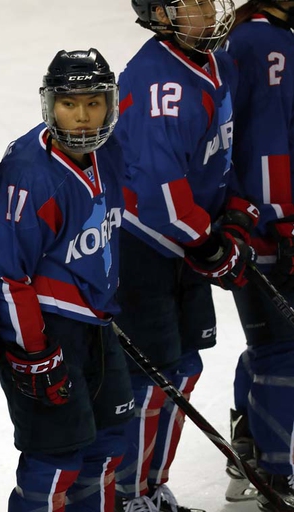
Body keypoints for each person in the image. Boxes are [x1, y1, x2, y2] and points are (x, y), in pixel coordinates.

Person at [113, 1, 249, 511]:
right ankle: (127, 497)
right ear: (160, 14)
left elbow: (221, 152)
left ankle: (151, 487)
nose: (209, 9)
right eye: (191, 2)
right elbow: (160, 191)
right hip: (145, 246)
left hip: (185, 243)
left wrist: (234, 211)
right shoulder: (156, 83)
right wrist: (210, 243)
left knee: (183, 371)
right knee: (150, 382)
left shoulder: (214, 61)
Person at [0, 48, 134, 512]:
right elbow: (9, 275)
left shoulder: (108, 151)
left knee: (109, 444)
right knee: (56, 462)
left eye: (94, 103)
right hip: (50, 332)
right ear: (51, 104)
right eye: (71, 104)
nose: (84, 117)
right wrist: (34, 352)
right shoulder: (31, 173)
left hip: (95, 325)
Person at [224, 1, 294, 508]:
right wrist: (279, 216)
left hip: (253, 217)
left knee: (272, 344)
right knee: (282, 350)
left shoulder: (252, 35)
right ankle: (273, 474)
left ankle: (247, 444)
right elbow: (267, 143)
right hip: (266, 224)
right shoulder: (263, 42)